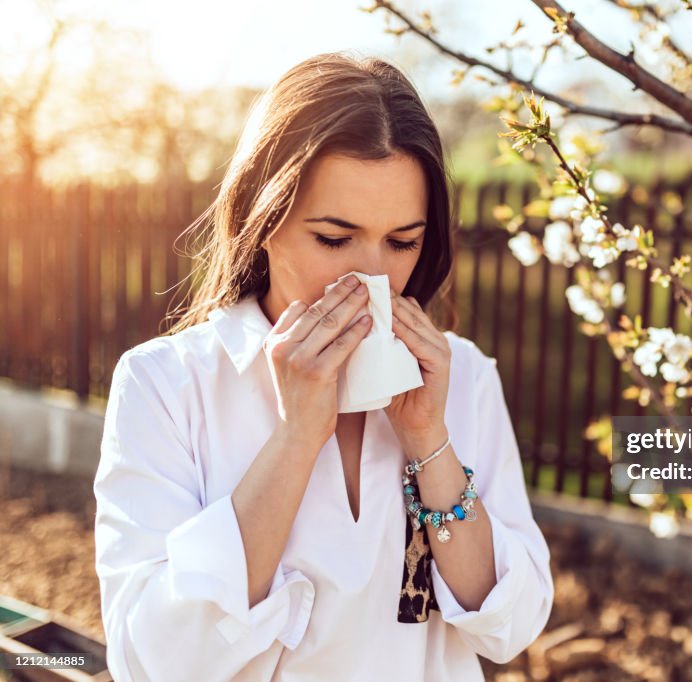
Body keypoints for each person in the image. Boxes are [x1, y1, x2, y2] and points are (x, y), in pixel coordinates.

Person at [93, 52, 554, 681]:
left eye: (402, 242)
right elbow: (150, 661)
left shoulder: (463, 377)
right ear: (264, 220)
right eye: (334, 239)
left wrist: (429, 442)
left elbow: (512, 625)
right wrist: (295, 439)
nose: (371, 277)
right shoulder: (168, 384)